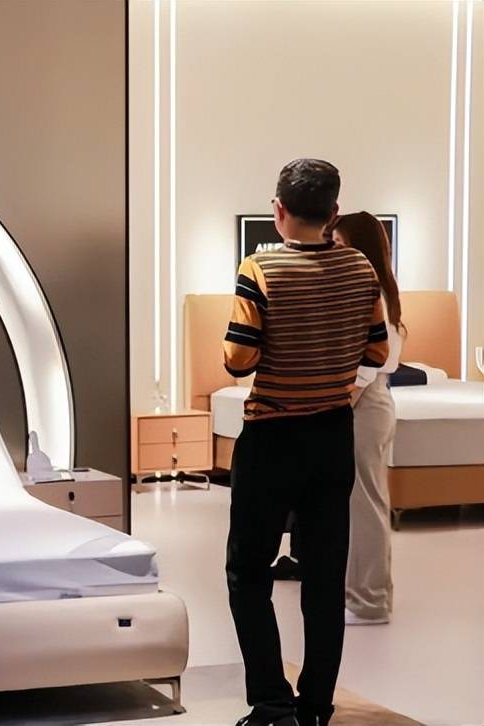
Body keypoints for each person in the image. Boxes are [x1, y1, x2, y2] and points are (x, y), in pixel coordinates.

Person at [223, 159, 389, 726]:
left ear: (279, 210)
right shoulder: (360, 268)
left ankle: (272, 704)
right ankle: (316, 705)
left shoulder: (259, 268)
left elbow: (238, 358)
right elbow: (377, 352)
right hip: (332, 434)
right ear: (333, 212)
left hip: (271, 436)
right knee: (323, 577)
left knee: (249, 570)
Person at [331, 212, 403, 626]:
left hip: (366, 405)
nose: (336, 251)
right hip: (366, 403)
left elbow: (369, 364)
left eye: (341, 245)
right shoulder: (373, 288)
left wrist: (341, 401)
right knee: (359, 504)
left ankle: (369, 601)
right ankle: (360, 592)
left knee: (366, 505)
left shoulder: (373, 291)